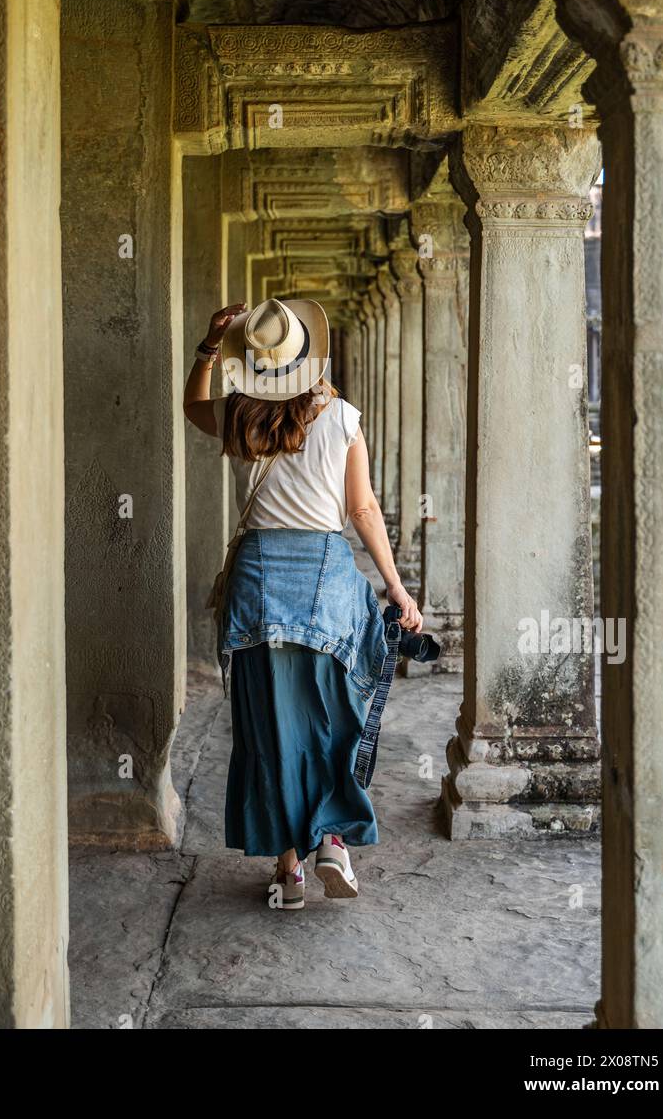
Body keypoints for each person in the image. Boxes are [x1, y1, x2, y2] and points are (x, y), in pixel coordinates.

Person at [183, 297, 423, 911]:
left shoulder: (241, 415)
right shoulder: (341, 417)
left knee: (268, 730)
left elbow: (191, 406)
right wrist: (396, 588)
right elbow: (363, 510)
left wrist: (210, 346)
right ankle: (333, 840)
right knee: (329, 718)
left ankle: (287, 873)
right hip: (324, 584)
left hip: (259, 583)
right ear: (309, 358)